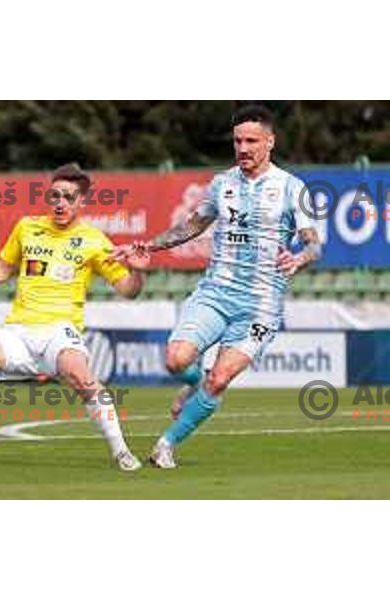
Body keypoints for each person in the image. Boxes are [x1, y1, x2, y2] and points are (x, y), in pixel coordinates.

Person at [115, 104, 322, 469]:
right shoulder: (222, 183)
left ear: (270, 142)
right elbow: (193, 225)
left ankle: (167, 443)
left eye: (252, 141)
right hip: (216, 293)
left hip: (260, 304)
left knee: (220, 378)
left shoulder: (292, 187)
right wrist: (151, 244)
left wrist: (299, 258)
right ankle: (193, 382)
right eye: (238, 141)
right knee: (176, 360)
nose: (243, 148)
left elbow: (313, 243)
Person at [0, 163, 149, 471]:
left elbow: (129, 290)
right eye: (54, 195)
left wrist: (137, 270)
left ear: (81, 202)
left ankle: (121, 451)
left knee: (82, 378)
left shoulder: (95, 241)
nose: (60, 203)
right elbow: (3, 269)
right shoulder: (27, 227)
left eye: (69, 197)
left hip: (60, 331)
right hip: (18, 331)